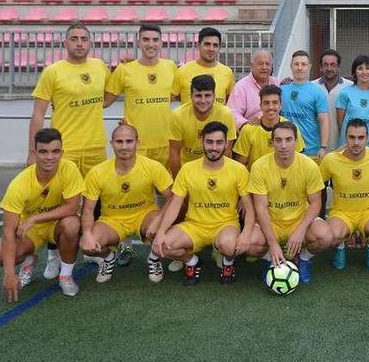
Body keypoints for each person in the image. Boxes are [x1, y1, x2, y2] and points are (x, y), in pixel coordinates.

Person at [151, 122, 255, 286]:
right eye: (209, 142)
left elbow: (249, 207)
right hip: (195, 225)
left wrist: (246, 233)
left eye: (219, 142)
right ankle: (192, 262)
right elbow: (175, 204)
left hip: (225, 224)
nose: (214, 147)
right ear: (202, 142)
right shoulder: (188, 169)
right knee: (163, 247)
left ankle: (228, 264)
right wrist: (161, 231)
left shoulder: (238, 170)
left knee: (229, 246)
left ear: (227, 143)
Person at [0, 128, 83, 301]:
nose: (50, 157)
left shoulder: (70, 168)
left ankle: (65, 275)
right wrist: (9, 274)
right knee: (0, 255)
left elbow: (72, 208)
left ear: (62, 152)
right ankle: (29, 261)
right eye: (43, 152)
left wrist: (35, 218)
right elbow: (8, 232)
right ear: (34, 153)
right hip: (29, 230)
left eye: (55, 151)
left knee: (72, 224)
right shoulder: (19, 185)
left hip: (55, 223)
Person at [79, 125, 173, 284]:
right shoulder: (97, 172)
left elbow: (172, 199)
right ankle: (109, 258)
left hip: (145, 215)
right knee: (86, 245)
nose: (124, 146)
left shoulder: (152, 166)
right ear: (112, 143)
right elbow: (87, 210)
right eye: (119, 141)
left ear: (137, 143)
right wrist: (87, 234)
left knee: (166, 232)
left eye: (129, 141)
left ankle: (154, 260)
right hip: (112, 220)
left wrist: (158, 222)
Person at [246, 122, 333, 284]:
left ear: (296, 141)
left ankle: (304, 259)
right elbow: (261, 208)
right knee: (248, 243)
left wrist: (301, 230)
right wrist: (272, 244)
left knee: (325, 236)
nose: (283, 145)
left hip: (298, 219)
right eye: (278, 140)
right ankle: (270, 260)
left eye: (288, 139)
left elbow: (315, 203)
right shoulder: (259, 166)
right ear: (272, 143)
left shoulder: (309, 166)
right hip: (271, 222)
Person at [29, 23, 109, 175]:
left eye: (84, 39)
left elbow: (110, 95)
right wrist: (33, 153)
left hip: (96, 147)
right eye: (74, 39)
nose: (80, 43)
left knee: (96, 196)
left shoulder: (100, 66)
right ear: (65, 43)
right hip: (65, 147)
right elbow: (38, 115)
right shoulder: (52, 72)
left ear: (90, 44)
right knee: (66, 196)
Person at [320, 119, 369, 271]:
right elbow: (317, 184)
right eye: (352, 137)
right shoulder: (331, 160)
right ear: (345, 138)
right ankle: (340, 245)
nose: (356, 142)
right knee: (329, 237)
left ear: (367, 138)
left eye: (360, 138)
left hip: (368, 211)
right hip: (342, 213)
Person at [104, 24, 177, 168]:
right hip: (137, 144)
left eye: (155, 40)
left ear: (161, 42)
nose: (151, 44)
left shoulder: (171, 67)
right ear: (139, 42)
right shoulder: (124, 69)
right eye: (146, 39)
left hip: (165, 143)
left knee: (165, 189)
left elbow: (179, 95)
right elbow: (105, 102)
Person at [168, 74, 237, 176]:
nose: (203, 101)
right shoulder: (178, 115)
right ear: (191, 96)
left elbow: (226, 152)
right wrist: (178, 180)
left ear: (214, 96)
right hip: (187, 170)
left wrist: (221, 177)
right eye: (198, 96)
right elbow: (174, 152)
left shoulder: (225, 114)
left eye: (207, 95)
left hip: (216, 170)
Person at [232, 85, 304, 169]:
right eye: (266, 103)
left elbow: (299, 161)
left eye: (275, 102)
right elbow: (241, 165)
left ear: (280, 105)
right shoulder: (248, 130)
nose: (271, 107)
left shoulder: (292, 128)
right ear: (260, 106)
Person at [281, 50, 330, 160]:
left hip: (311, 150)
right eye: (296, 64)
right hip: (286, 149)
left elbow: (324, 121)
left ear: (309, 67)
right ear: (291, 66)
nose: (299, 67)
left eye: (303, 64)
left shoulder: (318, 92)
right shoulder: (281, 90)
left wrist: (323, 147)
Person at [172, 27, 235, 105]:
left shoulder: (227, 72)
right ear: (198, 45)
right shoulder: (182, 71)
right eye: (207, 44)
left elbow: (230, 99)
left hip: (217, 117)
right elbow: (175, 96)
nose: (211, 49)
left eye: (215, 45)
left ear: (219, 48)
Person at [336, 55, 369, 149]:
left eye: (367, 68)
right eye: (360, 68)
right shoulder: (345, 93)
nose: (364, 72)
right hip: (349, 145)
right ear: (354, 72)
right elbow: (340, 122)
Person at [227, 49, 279, 130]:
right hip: (251, 133)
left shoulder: (276, 83)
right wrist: (246, 123)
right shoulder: (241, 87)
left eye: (267, 64)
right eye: (260, 64)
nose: (264, 67)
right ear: (251, 65)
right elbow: (232, 113)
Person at [312, 49, 354, 151]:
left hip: (342, 147)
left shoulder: (350, 87)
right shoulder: (312, 87)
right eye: (325, 65)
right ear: (321, 67)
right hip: (317, 147)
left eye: (333, 64)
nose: (329, 68)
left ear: (338, 67)